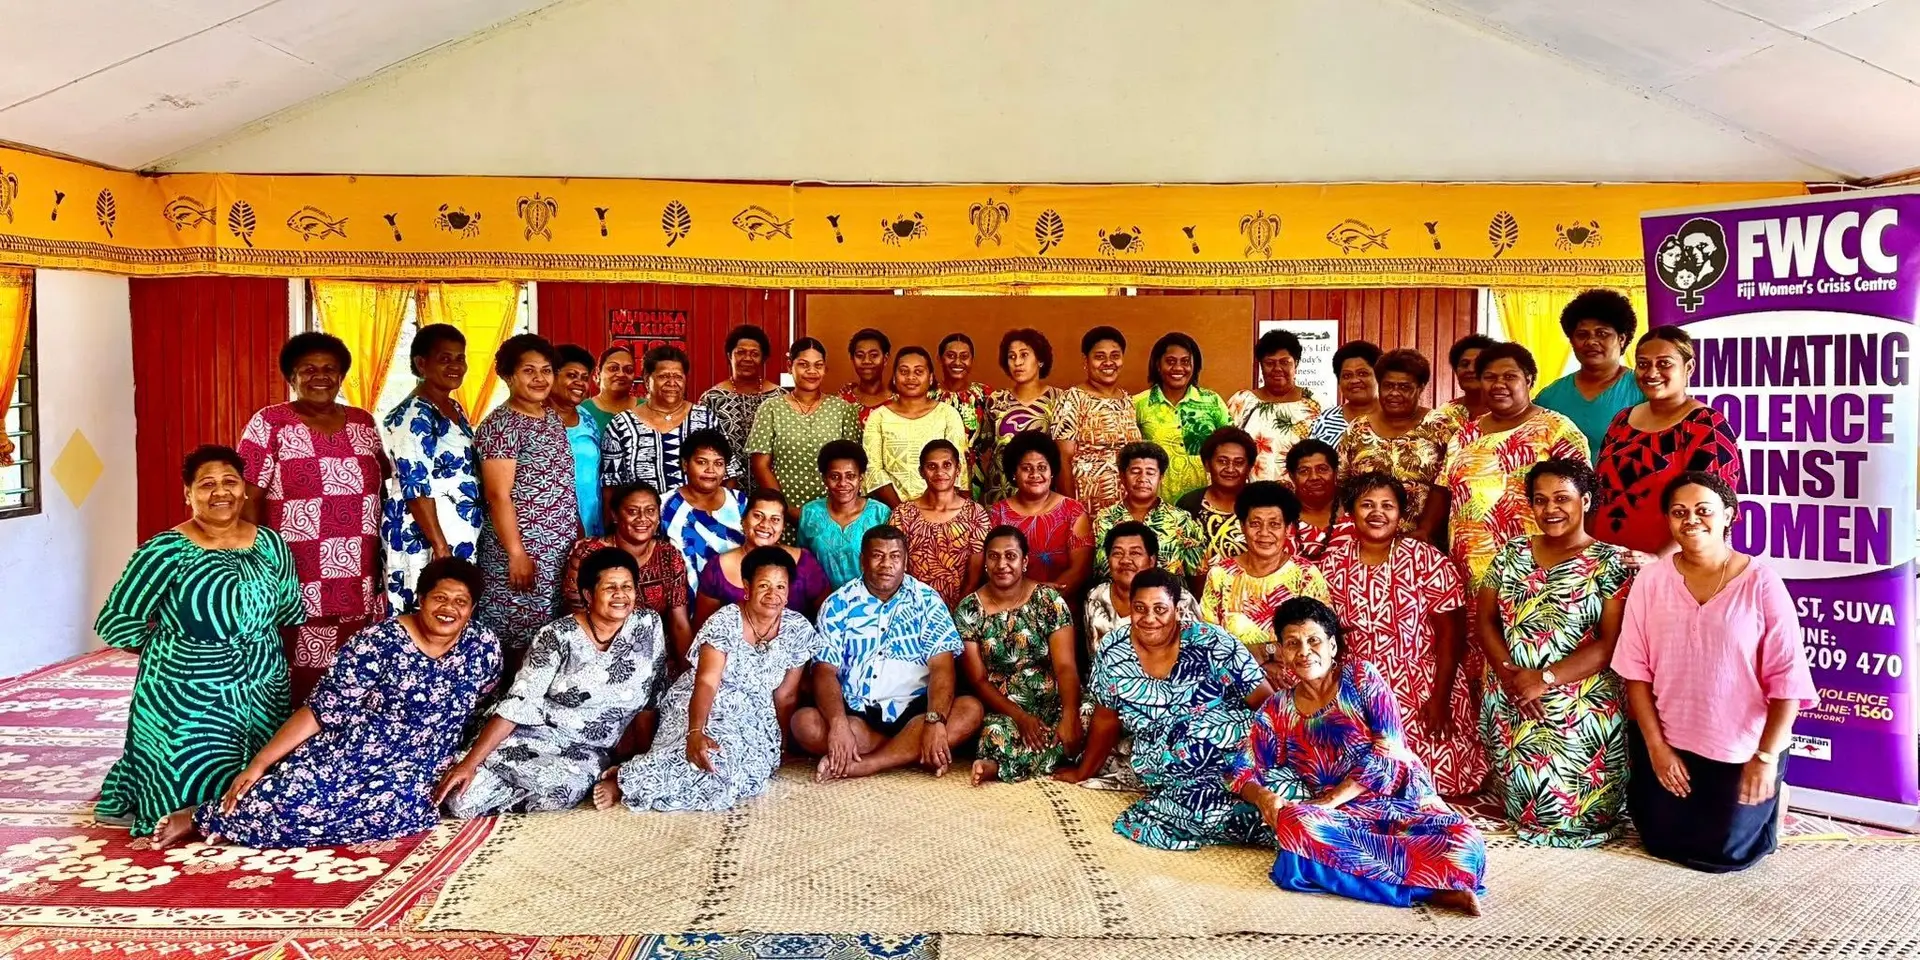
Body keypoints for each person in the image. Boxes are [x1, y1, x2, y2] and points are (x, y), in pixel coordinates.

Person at [153, 558, 501, 849]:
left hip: (416, 764)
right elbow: (320, 711)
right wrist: (260, 762)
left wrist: (467, 760)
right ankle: (201, 817)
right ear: (421, 599)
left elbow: (484, 703)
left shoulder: (484, 645)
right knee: (293, 802)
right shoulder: (376, 643)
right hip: (350, 751)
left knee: (400, 813)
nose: (449, 609)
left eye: (460, 602)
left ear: (471, 609)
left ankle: (233, 819)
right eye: (440, 598)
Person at [93, 445, 304, 838]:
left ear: (244, 490)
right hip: (184, 695)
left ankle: (235, 818)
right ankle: (178, 815)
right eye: (206, 485)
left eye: (230, 482)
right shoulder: (165, 550)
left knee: (261, 790)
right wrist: (180, 652)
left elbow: (289, 611)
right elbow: (116, 622)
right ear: (187, 494)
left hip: (263, 688)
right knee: (186, 771)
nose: (220, 492)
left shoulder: (272, 545)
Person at [1614, 472, 1817, 872]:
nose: (1691, 520)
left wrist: (1764, 758)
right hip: (1670, 742)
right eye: (1679, 512)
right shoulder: (1651, 580)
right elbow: (1635, 672)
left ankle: (1775, 793)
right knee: (1659, 841)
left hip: (1741, 749)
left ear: (1729, 516)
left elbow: (1788, 681)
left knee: (1727, 855)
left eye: (1703, 510)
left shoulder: (1761, 583)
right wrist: (1657, 750)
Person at [1232, 598, 1485, 915]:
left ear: (1333, 646)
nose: (1304, 652)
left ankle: (1403, 883)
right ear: (1281, 652)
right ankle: (1433, 890)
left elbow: (1389, 751)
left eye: (1314, 641)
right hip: (1345, 817)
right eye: (1292, 643)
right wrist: (1263, 798)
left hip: (1404, 800)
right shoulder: (1277, 708)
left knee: (1466, 844)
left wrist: (1328, 801)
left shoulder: (1361, 678)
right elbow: (1243, 770)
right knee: (1294, 824)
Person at [440, 547, 670, 817]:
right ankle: (485, 771)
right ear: (588, 594)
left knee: (561, 789)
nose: (620, 595)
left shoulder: (647, 625)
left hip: (587, 750)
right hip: (535, 734)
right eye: (610, 587)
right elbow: (520, 701)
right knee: (462, 802)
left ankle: (605, 779)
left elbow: (651, 697)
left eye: (627, 586)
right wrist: (470, 763)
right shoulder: (556, 636)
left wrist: (634, 767)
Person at [1056, 570, 1274, 851]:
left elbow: (1268, 706)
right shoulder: (1113, 651)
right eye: (1140, 609)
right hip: (1170, 761)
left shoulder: (1215, 643)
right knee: (1203, 810)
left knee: (1288, 788)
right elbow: (1106, 721)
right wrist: (1083, 771)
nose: (1149, 618)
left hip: (1235, 747)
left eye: (1160, 609)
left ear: (1178, 609)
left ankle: (1285, 813)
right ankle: (1279, 822)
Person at [596, 547, 823, 812]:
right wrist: (695, 732)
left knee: (736, 774)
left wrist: (779, 746)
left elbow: (786, 696)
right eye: (764, 585)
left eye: (781, 587)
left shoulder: (798, 630)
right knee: (703, 753)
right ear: (747, 587)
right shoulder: (725, 621)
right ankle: (625, 779)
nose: (773, 595)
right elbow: (707, 681)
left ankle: (633, 775)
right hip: (705, 703)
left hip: (754, 714)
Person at [1478, 459, 1632, 848]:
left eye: (1562, 498)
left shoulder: (1611, 562)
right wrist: (1513, 677)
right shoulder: (1511, 552)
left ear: (1586, 501)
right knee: (1527, 800)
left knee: (1569, 813)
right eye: (1541, 500)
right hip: (1511, 687)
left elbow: (1611, 642)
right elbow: (1485, 622)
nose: (1551, 509)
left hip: (1578, 694)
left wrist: (1545, 679)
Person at [238, 331, 388, 705]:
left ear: (341, 376)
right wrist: (259, 563)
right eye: (308, 369)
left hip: (359, 570)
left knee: (353, 662)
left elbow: (385, 486)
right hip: (294, 568)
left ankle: (342, 737)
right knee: (298, 659)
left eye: (330, 369)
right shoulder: (270, 422)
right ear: (292, 377)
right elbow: (250, 495)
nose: (320, 376)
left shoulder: (362, 422)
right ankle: (290, 738)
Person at [1319, 473, 1481, 796]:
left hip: (1423, 681)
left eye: (1387, 506)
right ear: (1351, 512)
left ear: (1400, 513)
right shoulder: (1332, 563)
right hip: (1359, 684)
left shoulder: (1426, 559)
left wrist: (1441, 698)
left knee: (1440, 784)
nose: (1377, 513)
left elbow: (1452, 634)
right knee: (1354, 778)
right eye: (1367, 505)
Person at [791, 527, 984, 781]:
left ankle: (868, 764)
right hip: (858, 714)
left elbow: (942, 667)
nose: (886, 564)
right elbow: (825, 671)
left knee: (970, 710)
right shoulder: (838, 603)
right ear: (862, 559)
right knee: (804, 724)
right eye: (878, 555)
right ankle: (911, 750)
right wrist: (838, 724)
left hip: (917, 711)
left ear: (905, 560)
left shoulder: (927, 600)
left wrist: (935, 720)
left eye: (895, 556)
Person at [1440, 342, 1589, 593]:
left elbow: (1582, 499)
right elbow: (1444, 490)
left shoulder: (1556, 429)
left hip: (1535, 565)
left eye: (1510, 376)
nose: (1499, 384)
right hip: (1469, 566)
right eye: (1490, 377)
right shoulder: (1466, 434)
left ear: (1528, 380)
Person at [1592, 327, 1741, 559]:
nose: (1651, 372)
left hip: (1670, 567)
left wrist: (1659, 561)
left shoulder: (1706, 426)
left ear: (1688, 367)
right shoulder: (1622, 420)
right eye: (1643, 364)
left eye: (1664, 363)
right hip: (1609, 564)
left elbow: (1709, 510)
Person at [475, 334, 580, 656]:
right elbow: (498, 495)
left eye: (546, 370)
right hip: (523, 548)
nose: (539, 379)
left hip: (557, 547)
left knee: (550, 630)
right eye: (528, 371)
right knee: (515, 632)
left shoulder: (551, 418)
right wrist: (516, 553)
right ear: (508, 376)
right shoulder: (500, 426)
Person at [956, 527, 1081, 785]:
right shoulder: (969, 609)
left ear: (1024, 562)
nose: (1002, 564)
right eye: (993, 557)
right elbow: (978, 680)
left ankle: (1005, 765)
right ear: (986, 562)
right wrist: (1021, 718)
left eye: (1010, 556)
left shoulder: (1048, 600)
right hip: (1006, 707)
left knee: (1089, 716)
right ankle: (1046, 755)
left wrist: (1069, 715)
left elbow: (1066, 666)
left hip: (1053, 701)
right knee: (994, 733)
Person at [379, 323, 481, 613]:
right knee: (423, 610)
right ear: (421, 363)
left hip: (454, 531)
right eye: (444, 358)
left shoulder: (454, 408)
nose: (455, 366)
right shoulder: (414, 413)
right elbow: (415, 485)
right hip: (423, 535)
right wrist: (440, 547)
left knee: (452, 612)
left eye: (460, 357)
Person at [1199, 481, 1331, 683]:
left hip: (1298, 690)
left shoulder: (1305, 575)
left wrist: (1263, 652)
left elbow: (1321, 640)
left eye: (1274, 524)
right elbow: (1208, 642)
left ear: (1287, 529)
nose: (1264, 533)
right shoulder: (1221, 575)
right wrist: (1264, 659)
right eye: (1255, 524)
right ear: (1242, 527)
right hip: (1237, 689)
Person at [560, 483, 693, 666]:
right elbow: (576, 616)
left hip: (652, 652)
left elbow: (679, 623)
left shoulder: (669, 555)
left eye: (650, 511)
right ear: (615, 515)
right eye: (632, 511)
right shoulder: (589, 554)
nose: (643, 519)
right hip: (595, 652)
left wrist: (689, 671)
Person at [1336, 349, 1455, 544]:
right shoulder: (1358, 428)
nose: (1394, 393)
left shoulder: (1442, 427)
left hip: (1425, 541)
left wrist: (1426, 529)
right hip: (1365, 539)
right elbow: (1342, 484)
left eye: (1405, 387)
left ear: (1421, 387)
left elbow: (1447, 485)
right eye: (1388, 386)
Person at [747, 337, 862, 530]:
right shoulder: (771, 408)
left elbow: (852, 466)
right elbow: (760, 465)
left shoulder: (843, 409)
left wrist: (839, 511)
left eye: (818, 365)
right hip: (782, 515)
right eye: (803, 365)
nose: (811, 371)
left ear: (825, 369)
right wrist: (786, 509)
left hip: (834, 516)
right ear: (790, 365)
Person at [600, 345, 729, 496]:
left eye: (678, 376)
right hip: (641, 517)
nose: (672, 382)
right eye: (663, 376)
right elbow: (610, 483)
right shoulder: (621, 425)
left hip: (697, 518)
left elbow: (728, 472)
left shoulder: (705, 418)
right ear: (647, 380)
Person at [1534, 290, 1645, 460]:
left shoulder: (1643, 389)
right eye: (1582, 334)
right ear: (1572, 341)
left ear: (1622, 339)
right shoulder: (1549, 397)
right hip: (1564, 486)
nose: (1591, 341)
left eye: (1602, 333)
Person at [695, 488, 831, 623]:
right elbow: (703, 628)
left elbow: (828, 617)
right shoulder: (717, 567)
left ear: (783, 526)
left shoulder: (804, 562)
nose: (765, 525)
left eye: (775, 519)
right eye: (758, 516)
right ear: (743, 520)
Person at [986, 431, 1093, 596]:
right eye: (1026, 468)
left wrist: (1043, 600)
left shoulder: (1073, 511)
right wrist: (1023, 603)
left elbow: (1079, 570)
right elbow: (991, 568)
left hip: (1061, 606)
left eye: (1042, 467)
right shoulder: (997, 514)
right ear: (1014, 473)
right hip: (1010, 605)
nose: (1035, 474)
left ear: (1052, 471)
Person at [1051, 326, 1142, 516]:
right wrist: (1072, 511)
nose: (1109, 362)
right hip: (1087, 507)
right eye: (1100, 356)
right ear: (1086, 361)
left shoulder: (1127, 401)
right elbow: (1063, 459)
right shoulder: (1072, 398)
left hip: (1126, 507)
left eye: (1115, 355)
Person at [888, 439, 991, 606]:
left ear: (958, 470)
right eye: (932, 466)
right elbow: (896, 566)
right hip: (912, 607)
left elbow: (975, 577)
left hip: (960, 609)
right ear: (921, 472)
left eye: (947, 465)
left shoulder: (976, 515)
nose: (940, 472)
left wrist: (955, 612)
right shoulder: (902, 514)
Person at [863, 346, 968, 507]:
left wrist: (934, 509)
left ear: (931, 378)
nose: (911, 377)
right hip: (890, 510)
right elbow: (873, 469)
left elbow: (957, 466)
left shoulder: (948, 414)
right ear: (894, 378)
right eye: (904, 372)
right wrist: (902, 511)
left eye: (918, 372)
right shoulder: (878, 417)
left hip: (941, 510)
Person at [1134, 332, 1229, 503]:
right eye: (1170, 362)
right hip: (1156, 503)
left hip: (1205, 502)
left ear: (1195, 366)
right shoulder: (1139, 404)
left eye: (1185, 362)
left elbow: (1231, 447)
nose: (1178, 368)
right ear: (1157, 365)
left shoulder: (1212, 402)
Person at [1092, 441, 1204, 583]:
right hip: (1113, 601)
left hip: (1169, 603)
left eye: (1150, 472)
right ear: (1122, 476)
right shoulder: (1103, 519)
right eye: (1135, 472)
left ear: (1161, 477)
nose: (1142, 479)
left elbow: (1198, 576)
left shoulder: (1181, 520)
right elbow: (1094, 573)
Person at [1228, 329, 1322, 483]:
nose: (1277, 369)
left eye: (1285, 362)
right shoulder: (1242, 402)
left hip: (1302, 498)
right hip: (1251, 496)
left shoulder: (1316, 402)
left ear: (1296, 363)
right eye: (1270, 363)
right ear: (1261, 365)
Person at [796, 440, 892, 589]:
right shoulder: (810, 513)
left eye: (850, 476)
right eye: (835, 476)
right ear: (824, 479)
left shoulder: (880, 513)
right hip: (820, 603)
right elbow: (804, 563)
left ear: (861, 477)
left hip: (870, 603)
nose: (842, 483)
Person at [700, 324, 786, 488]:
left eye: (755, 354)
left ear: (764, 358)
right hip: (725, 491)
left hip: (773, 491)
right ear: (729, 355)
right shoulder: (712, 399)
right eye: (740, 352)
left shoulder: (780, 398)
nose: (747, 358)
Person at [661, 429, 749, 587]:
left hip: (737, 598)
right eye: (701, 462)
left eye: (718, 463)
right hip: (683, 602)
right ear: (685, 464)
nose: (710, 470)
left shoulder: (740, 502)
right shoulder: (665, 506)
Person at [983, 329, 1063, 502]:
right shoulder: (996, 400)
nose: (1017, 362)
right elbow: (985, 450)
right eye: (1012, 357)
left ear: (1040, 360)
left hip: (1042, 496)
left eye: (1024, 355)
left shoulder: (1060, 400)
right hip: (999, 495)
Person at [1176, 427, 1253, 567]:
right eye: (1222, 461)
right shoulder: (1188, 505)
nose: (1230, 469)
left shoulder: (1263, 502)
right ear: (1207, 464)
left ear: (1249, 468)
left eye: (1239, 462)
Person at [931, 332, 994, 499]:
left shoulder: (986, 396)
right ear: (940, 358)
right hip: (936, 475)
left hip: (978, 478)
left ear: (972, 360)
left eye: (964, 356)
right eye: (950, 356)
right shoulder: (928, 395)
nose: (957, 362)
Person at [552, 344, 605, 538]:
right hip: (550, 523)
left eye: (584, 378)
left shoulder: (586, 417)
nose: (580, 383)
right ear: (552, 375)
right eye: (572, 375)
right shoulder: (536, 419)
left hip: (591, 519)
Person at [1285, 439, 1357, 566]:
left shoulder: (1356, 511)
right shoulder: (1280, 516)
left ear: (1335, 473)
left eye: (1322, 469)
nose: (1314, 477)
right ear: (1292, 476)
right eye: (1304, 471)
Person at [1306, 340, 1381, 446]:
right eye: (1347, 376)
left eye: (1362, 373)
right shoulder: (1326, 420)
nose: (1354, 380)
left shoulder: (1394, 417)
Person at [1436, 333, 1498, 434]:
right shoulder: (1443, 414)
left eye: (1479, 364)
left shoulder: (1510, 412)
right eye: (1464, 364)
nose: (1471, 369)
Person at [838, 327, 894, 429]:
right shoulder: (844, 398)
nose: (866, 361)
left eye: (874, 355)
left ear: (885, 359)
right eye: (860, 356)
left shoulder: (897, 399)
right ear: (852, 359)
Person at [581, 345, 637, 435]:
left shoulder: (646, 408)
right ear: (598, 373)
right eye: (613, 368)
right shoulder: (583, 410)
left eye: (628, 370)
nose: (621, 374)